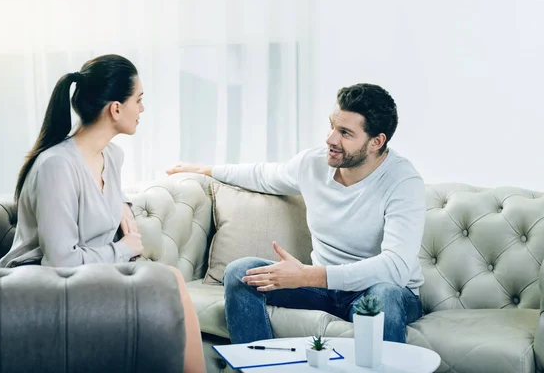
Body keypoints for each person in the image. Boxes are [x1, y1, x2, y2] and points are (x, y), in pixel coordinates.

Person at [166, 83, 426, 344]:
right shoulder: (312, 165)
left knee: (384, 297)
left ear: (376, 142)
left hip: (379, 290)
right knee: (241, 273)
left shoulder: (402, 181)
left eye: (345, 133)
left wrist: (308, 275)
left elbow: (396, 267)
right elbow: (262, 175)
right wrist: (204, 170)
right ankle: (258, 366)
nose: (330, 139)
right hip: (323, 289)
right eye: (332, 126)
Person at [0, 54, 205, 373]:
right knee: (170, 281)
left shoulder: (112, 155)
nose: (143, 109)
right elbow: (60, 262)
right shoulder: (57, 166)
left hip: (88, 277)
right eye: (139, 100)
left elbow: (98, 197)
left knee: (169, 282)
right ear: (116, 109)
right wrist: (124, 249)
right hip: (42, 285)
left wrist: (121, 205)